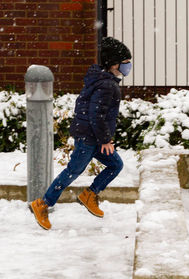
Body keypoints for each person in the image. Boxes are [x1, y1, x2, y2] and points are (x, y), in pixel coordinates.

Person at [30, 37, 132, 230]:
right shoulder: (106, 84)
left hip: (92, 136)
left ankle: (90, 194)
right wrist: (105, 140)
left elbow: (92, 111)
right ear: (113, 63)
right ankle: (42, 204)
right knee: (73, 171)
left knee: (115, 164)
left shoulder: (102, 79)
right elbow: (97, 114)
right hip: (89, 138)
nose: (128, 66)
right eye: (125, 63)